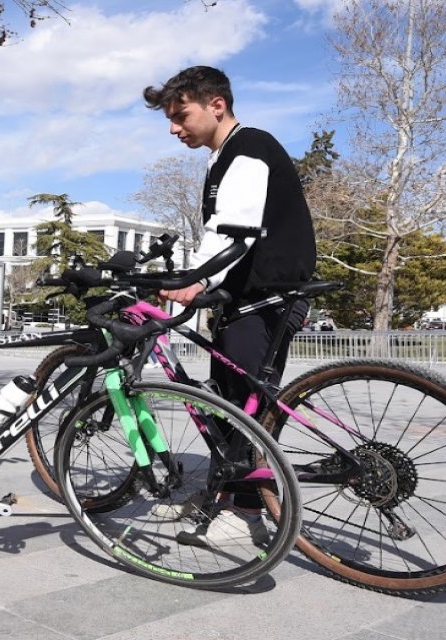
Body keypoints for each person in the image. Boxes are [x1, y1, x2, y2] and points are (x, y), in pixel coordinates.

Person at [142, 66, 316, 547]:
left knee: (243, 406)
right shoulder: (226, 157)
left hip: (266, 298)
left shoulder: (249, 149)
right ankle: (228, 494)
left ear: (216, 104)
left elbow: (231, 232)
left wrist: (192, 280)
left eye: (181, 115)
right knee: (229, 397)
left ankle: (246, 512)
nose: (174, 128)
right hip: (248, 299)